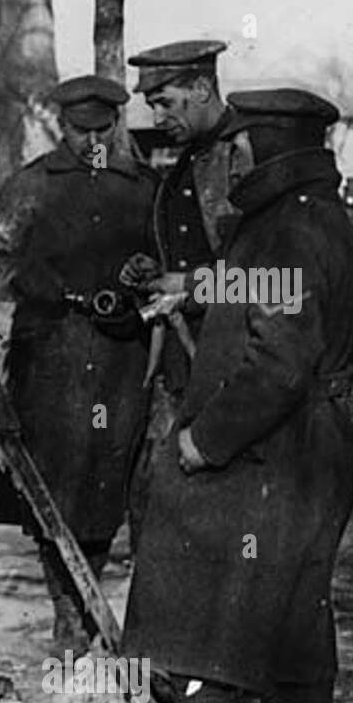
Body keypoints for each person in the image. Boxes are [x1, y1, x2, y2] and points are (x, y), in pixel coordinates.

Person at [121, 89, 353, 703]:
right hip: (314, 445)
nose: (227, 157)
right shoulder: (313, 217)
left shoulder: (284, 229)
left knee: (187, 583)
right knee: (298, 599)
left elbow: (279, 359)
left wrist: (206, 442)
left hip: (269, 444)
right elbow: (270, 294)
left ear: (262, 147)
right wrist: (189, 288)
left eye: (238, 144)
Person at [0, 75, 159, 651]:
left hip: (117, 356)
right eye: (79, 130)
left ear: (117, 123)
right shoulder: (29, 186)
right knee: (50, 489)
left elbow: (168, 261)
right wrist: (35, 283)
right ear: (62, 125)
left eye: (102, 129)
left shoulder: (143, 188)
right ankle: (67, 614)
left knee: (104, 485)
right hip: (50, 356)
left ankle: (85, 604)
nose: (91, 141)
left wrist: (143, 273)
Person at [119, 40, 247, 534]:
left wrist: (189, 286)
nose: (155, 117)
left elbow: (279, 283)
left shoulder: (242, 156)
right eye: (149, 105)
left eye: (164, 101)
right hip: (186, 362)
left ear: (201, 87)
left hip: (231, 368)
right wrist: (153, 271)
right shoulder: (193, 158)